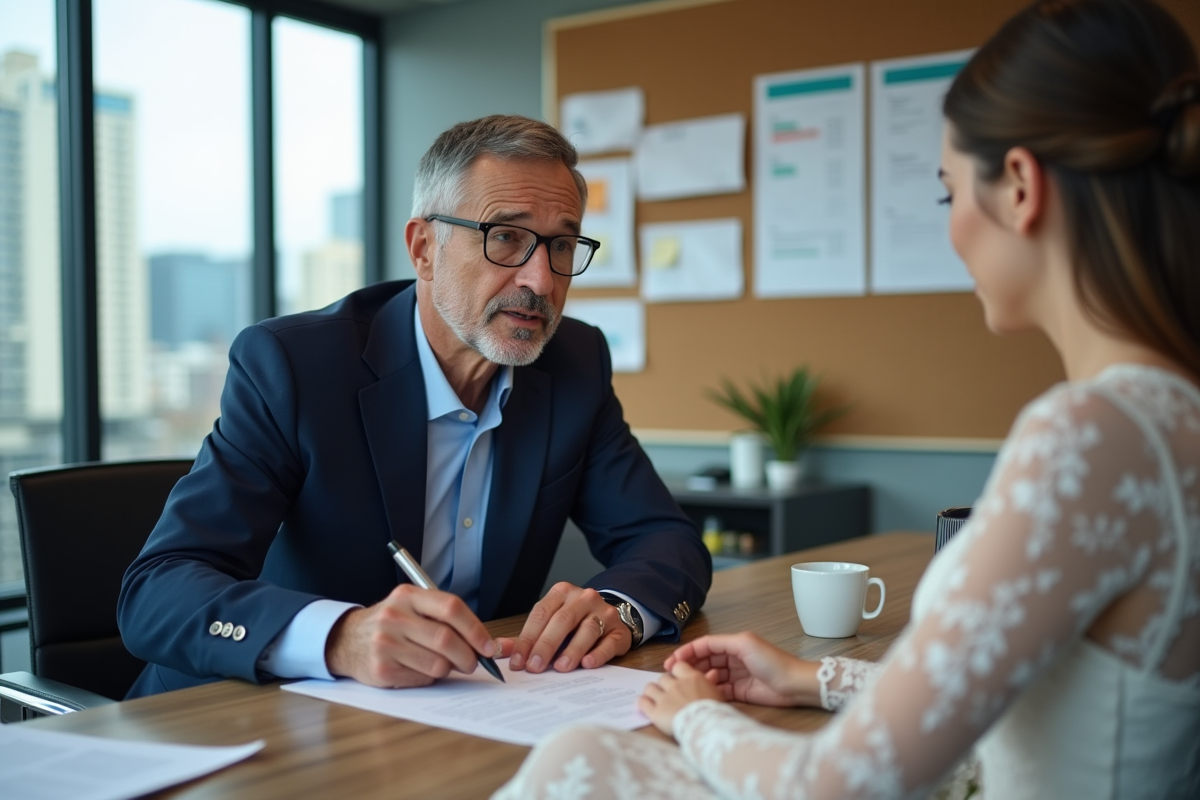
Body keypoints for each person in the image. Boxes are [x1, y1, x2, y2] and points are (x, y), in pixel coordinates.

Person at [492, 1, 1200, 797]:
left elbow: (834, 785)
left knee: (579, 756)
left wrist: (694, 714)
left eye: (948, 194)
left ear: (1021, 188)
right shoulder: (1173, 418)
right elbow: (1032, 695)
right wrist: (812, 679)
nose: (953, 230)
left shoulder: (1091, 435)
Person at [117, 115, 711, 698]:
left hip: (466, 715)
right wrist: (340, 636)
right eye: (506, 237)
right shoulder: (294, 366)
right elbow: (158, 590)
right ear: (424, 248)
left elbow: (665, 539)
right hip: (235, 713)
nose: (542, 279)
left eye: (561, 244)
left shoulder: (575, 362)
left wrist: (620, 610)